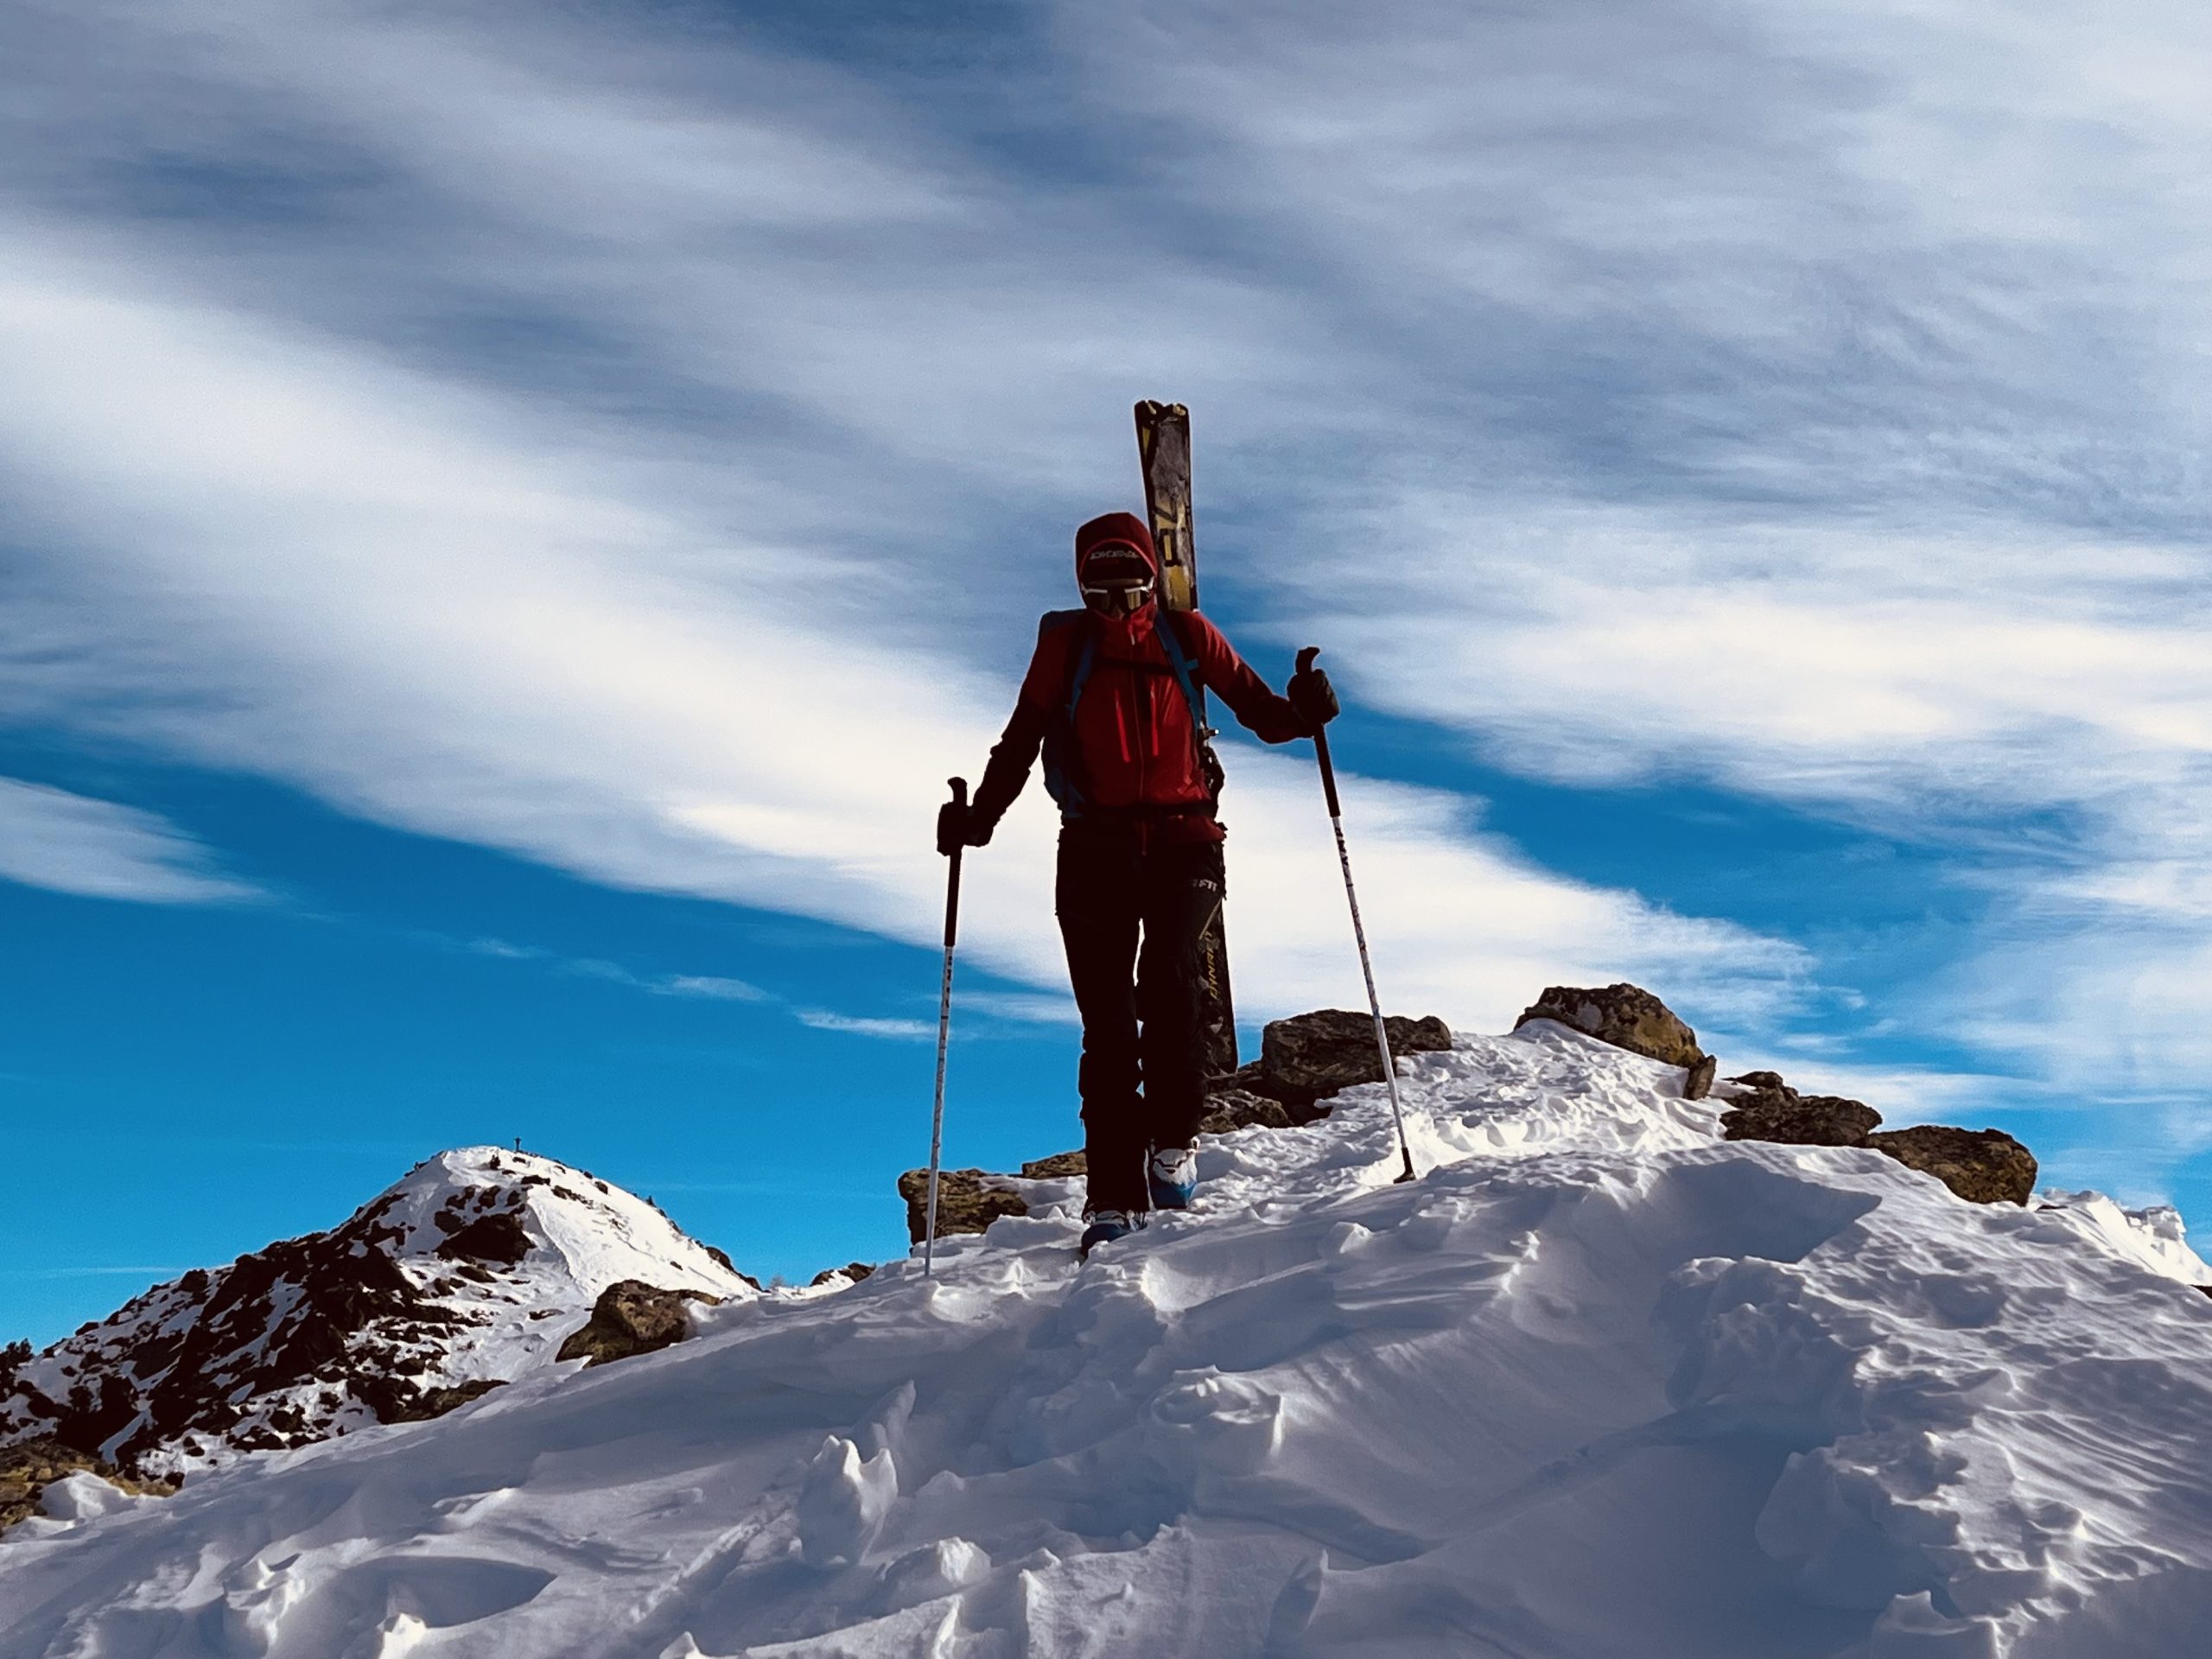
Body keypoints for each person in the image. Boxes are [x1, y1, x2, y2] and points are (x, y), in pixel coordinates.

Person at [938, 511, 1338, 1257]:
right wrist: (978, 820)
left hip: (1187, 842)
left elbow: (1262, 712)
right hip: (1094, 846)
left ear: (1152, 580)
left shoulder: (1188, 635)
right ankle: (1114, 1199)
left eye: (1130, 589)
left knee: (1172, 990)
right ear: (1082, 587)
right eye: (1100, 591)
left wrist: (1307, 709)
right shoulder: (1064, 644)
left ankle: (1174, 1139)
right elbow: (1022, 739)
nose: (1116, 607)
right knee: (1109, 1028)